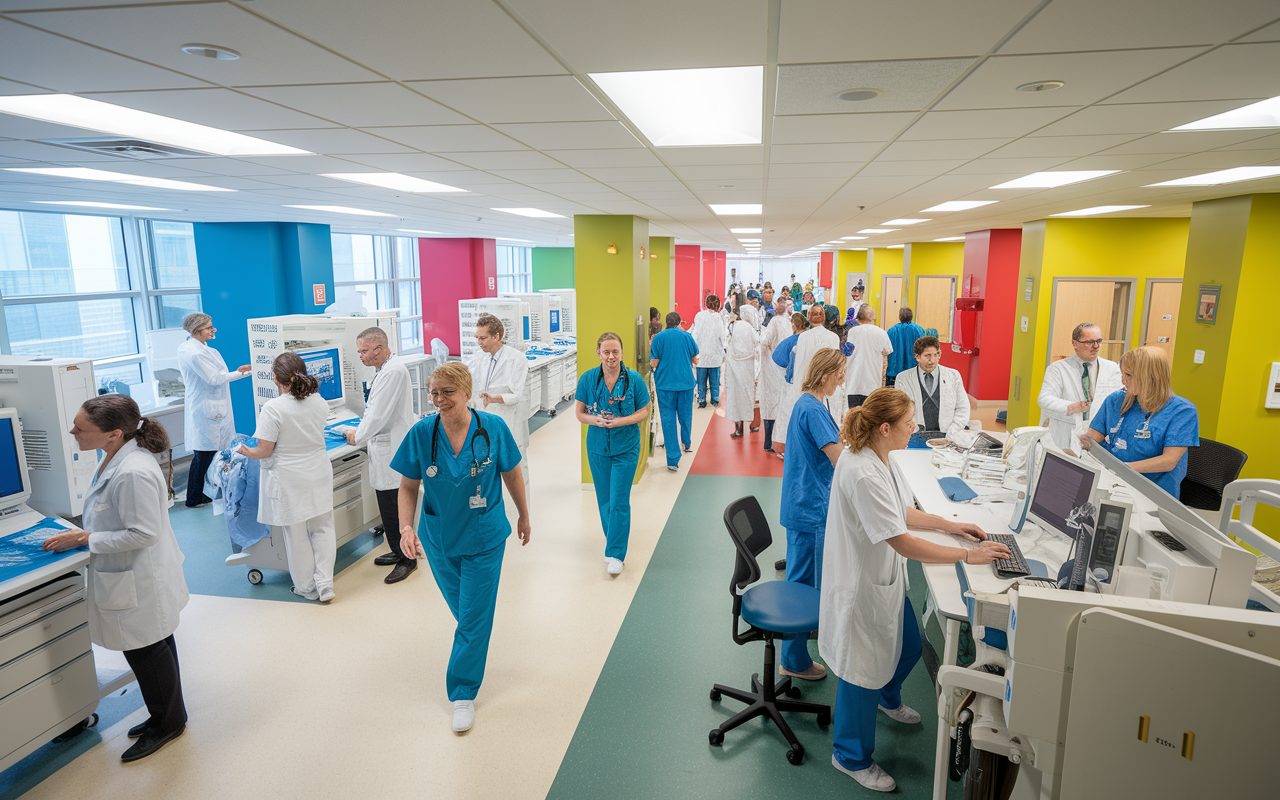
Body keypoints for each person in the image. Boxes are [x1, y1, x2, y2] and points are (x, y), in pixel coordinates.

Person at [819, 388, 1010, 791]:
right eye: (910, 424)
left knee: (907, 645)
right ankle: (849, 756)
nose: (916, 429)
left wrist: (949, 524)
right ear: (886, 427)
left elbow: (900, 511)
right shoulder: (861, 470)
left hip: (883, 582)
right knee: (861, 672)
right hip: (860, 589)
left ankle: (888, 697)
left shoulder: (880, 457)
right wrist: (965, 557)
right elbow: (901, 540)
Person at [43, 395, 190, 763]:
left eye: (81, 428)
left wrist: (84, 538)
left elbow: (143, 533)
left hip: (139, 576)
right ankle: (168, 714)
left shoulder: (133, 472)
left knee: (147, 651)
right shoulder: (116, 456)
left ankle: (167, 724)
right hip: (133, 575)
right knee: (154, 646)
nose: (73, 431)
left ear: (114, 433)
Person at [391, 362, 530, 733]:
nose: (439, 399)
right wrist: (406, 526)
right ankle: (473, 644)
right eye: (433, 392)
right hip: (438, 538)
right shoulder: (423, 433)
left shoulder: (493, 428)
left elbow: (512, 473)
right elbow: (407, 486)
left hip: (484, 536)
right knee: (468, 614)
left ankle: (462, 693)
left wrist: (524, 515)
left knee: (471, 618)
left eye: (447, 392)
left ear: (466, 391)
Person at [238, 352, 335, 603]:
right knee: (323, 528)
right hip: (318, 471)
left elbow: (264, 450)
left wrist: (244, 450)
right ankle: (326, 584)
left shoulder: (274, 408)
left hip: (291, 478)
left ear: (274, 378)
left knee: (297, 534)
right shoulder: (319, 401)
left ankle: (306, 587)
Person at [777, 348, 849, 682]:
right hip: (811, 506)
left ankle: (794, 654)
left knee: (799, 578)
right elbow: (838, 458)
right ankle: (793, 659)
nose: (842, 379)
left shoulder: (809, 403)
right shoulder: (813, 408)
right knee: (802, 585)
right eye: (839, 373)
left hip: (802, 499)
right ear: (825, 374)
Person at [575, 333, 651, 574]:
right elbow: (579, 413)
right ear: (598, 352)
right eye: (606, 351)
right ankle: (614, 539)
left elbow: (644, 411)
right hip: (597, 448)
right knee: (604, 500)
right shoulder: (588, 379)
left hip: (626, 447)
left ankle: (616, 553)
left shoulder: (634, 380)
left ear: (622, 353)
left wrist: (621, 421)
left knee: (619, 501)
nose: (610, 356)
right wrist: (595, 420)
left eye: (615, 351)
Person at [1080, 346, 1199, 500]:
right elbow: (1093, 437)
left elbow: (1168, 461)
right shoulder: (1116, 400)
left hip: (1153, 494)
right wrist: (1077, 443)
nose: (1123, 380)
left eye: (1128, 375)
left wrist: (1121, 469)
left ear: (1150, 377)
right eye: (1122, 373)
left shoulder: (1182, 411)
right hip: (1112, 485)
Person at [345, 327, 416, 584]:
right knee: (387, 507)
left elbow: (377, 415)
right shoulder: (385, 370)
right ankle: (399, 551)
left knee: (395, 508)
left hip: (391, 449)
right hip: (385, 446)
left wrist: (357, 435)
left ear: (378, 349)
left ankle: (408, 559)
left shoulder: (393, 371)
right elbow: (374, 410)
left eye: (364, 351)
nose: (361, 356)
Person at [177, 313, 250, 508]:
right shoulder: (194, 352)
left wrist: (239, 372)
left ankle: (199, 494)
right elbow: (215, 379)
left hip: (209, 406)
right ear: (197, 331)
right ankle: (193, 497)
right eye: (209, 328)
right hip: (207, 409)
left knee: (206, 454)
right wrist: (245, 373)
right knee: (203, 454)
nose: (213, 330)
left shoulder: (199, 348)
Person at [466, 314, 530, 490]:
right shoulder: (481, 359)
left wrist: (494, 398)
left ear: (497, 336)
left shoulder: (516, 359)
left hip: (509, 420)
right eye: (477, 338)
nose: (479, 342)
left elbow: (516, 394)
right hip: (485, 421)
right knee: (488, 468)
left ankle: (520, 514)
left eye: (483, 338)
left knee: (514, 470)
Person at [1038, 322, 1122, 449]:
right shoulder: (1058, 368)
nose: (1096, 346)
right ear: (1074, 343)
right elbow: (1044, 399)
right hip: (1065, 433)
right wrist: (1071, 406)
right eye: (1089, 342)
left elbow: (1118, 399)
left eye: (1099, 341)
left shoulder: (1112, 368)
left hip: (1097, 435)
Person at [775, 305, 840, 451]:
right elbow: (836, 365)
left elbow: (799, 365)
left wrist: (798, 386)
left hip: (808, 385)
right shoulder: (833, 337)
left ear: (808, 318)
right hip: (828, 387)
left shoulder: (803, 337)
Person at [649, 312, 699, 471]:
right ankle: (687, 443)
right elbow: (694, 357)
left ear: (666, 322)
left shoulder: (658, 338)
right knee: (685, 414)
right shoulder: (687, 336)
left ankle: (672, 460)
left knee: (668, 419)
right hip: (685, 383)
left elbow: (654, 362)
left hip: (665, 384)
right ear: (679, 322)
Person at [895, 335, 971, 439]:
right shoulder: (903, 378)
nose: (933, 360)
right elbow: (901, 411)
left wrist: (953, 431)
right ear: (917, 356)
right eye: (927, 355)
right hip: (916, 435)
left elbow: (963, 407)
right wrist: (914, 431)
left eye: (936, 354)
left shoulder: (953, 375)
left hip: (948, 435)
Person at [758, 296, 791, 454]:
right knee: (780, 402)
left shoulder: (774, 322)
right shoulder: (788, 323)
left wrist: (764, 357)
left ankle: (769, 442)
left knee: (770, 403)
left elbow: (764, 341)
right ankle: (777, 441)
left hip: (772, 367)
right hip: (784, 368)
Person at [844, 306, 893, 409]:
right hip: (873, 385)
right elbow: (885, 358)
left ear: (858, 319)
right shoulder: (881, 333)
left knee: (854, 417)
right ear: (873, 318)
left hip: (853, 383)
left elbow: (846, 355)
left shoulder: (852, 332)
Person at [724, 306, 759, 438]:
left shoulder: (734, 326)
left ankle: (738, 429)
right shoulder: (750, 329)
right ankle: (753, 424)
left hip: (734, 366)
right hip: (747, 368)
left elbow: (727, 343)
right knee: (746, 395)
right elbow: (758, 343)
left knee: (735, 396)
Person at [690, 294, 726, 408]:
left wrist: (693, 351)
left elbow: (695, 334)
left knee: (701, 380)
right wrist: (724, 351)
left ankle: (702, 399)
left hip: (701, 353)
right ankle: (715, 399)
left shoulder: (699, 316)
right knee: (714, 380)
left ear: (706, 303)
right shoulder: (718, 318)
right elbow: (722, 336)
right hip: (715, 354)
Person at [885, 307, 925, 387]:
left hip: (894, 371)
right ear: (911, 316)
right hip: (913, 371)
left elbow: (886, 350)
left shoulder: (891, 331)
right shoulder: (919, 330)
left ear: (899, 317)